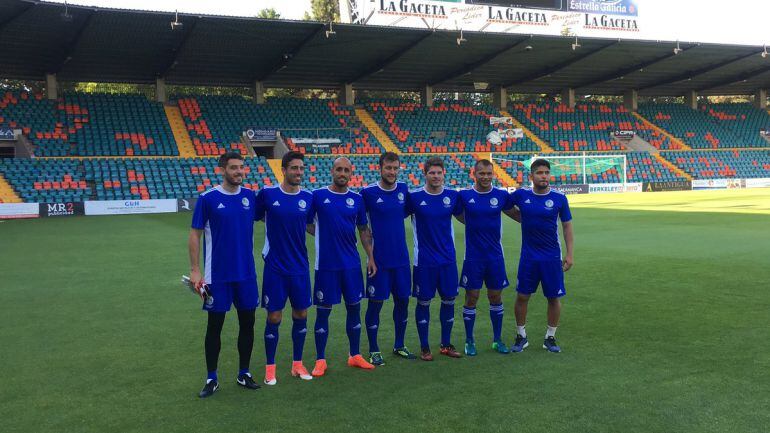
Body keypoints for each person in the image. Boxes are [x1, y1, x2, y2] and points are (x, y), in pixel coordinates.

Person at [188, 151, 261, 398]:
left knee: (248, 324)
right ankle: (212, 378)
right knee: (215, 326)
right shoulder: (208, 198)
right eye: (233, 168)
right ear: (222, 170)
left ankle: (244, 373)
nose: (239, 171)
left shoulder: (251, 197)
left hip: (246, 274)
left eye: (241, 167)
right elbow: (195, 234)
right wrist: (195, 269)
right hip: (216, 276)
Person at [307, 157, 377, 376]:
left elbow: (364, 230)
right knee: (323, 313)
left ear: (351, 173)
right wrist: (323, 235)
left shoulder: (356, 199)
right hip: (326, 266)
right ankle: (320, 360)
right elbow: (307, 223)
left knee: (354, 308)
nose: (342, 173)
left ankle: (354, 355)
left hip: (351, 265)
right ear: (332, 171)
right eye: (339, 169)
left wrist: (371, 257)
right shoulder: (317, 196)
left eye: (346, 170)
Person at [254, 151, 314, 385]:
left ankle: (297, 365)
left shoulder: (308, 198)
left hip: (300, 266)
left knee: (301, 313)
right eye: (294, 168)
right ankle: (270, 368)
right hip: (275, 267)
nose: (298, 172)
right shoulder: (268, 194)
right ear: (284, 169)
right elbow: (256, 216)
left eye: (301, 168)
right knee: (275, 316)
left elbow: (309, 226)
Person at [509, 159, 574, 353]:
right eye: (539, 173)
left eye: (546, 172)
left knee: (553, 297)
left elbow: (567, 226)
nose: (543, 176)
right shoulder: (521, 195)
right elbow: (504, 206)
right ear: (531, 176)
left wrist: (570, 254)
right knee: (522, 296)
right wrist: (521, 218)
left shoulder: (559, 199)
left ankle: (550, 337)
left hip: (552, 257)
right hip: (528, 256)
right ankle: (521, 335)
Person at [456, 159, 519, 356]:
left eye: (488, 173)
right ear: (474, 174)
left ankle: (497, 339)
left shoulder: (500, 195)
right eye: (481, 173)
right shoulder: (465, 196)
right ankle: (469, 340)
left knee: (495, 296)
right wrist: (473, 224)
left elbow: (516, 214)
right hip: (473, 256)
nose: (485, 177)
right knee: (472, 297)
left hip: (495, 256)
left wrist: (540, 219)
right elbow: (457, 214)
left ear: (493, 174)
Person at [361, 152, 416, 365]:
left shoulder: (403, 190)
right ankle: (374, 350)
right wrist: (370, 258)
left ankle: (399, 345)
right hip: (379, 261)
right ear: (380, 168)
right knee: (375, 304)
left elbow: (406, 214)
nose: (392, 172)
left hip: (401, 260)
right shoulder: (368, 193)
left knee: (402, 302)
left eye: (395, 168)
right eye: (388, 168)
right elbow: (363, 228)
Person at [407, 156, 463, 361]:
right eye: (432, 172)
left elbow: (464, 217)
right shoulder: (414, 198)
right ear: (425, 174)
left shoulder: (452, 196)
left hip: (448, 259)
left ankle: (446, 345)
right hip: (424, 261)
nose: (436, 176)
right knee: (424, 302)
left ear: (444, 174)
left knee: (449, 300)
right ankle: (424, 347)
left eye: (439, 172)